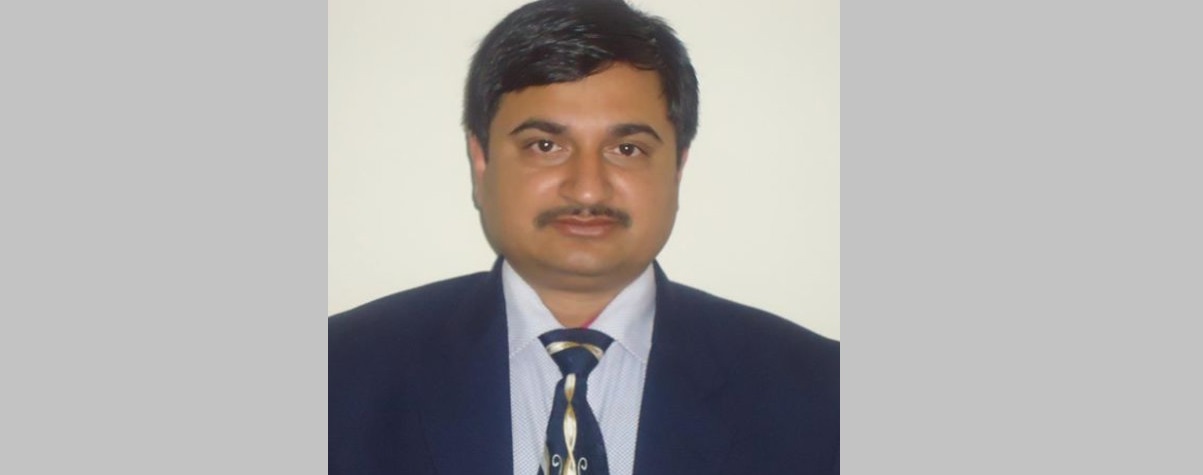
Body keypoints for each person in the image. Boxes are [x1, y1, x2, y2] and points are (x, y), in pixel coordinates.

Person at [328, 0, 839, 473]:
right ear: (480, 161)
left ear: (678, 167)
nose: (588, 187)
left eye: (627, 149)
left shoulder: (824, 394)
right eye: (545, 145)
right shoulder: (337, 374)